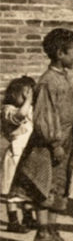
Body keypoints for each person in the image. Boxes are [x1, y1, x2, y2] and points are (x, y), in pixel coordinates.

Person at [10, 28, 73, 241]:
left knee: (58, 186)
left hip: (65, 139)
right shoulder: (47, 82)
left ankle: (51, 230)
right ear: (60, 54)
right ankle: (43, 232)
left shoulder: (62, 78)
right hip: (50, 144)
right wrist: (54, 143)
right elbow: (45, 116)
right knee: (45, 187)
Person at [1, 76, 37, 232]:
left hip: (28, 154)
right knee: (11, 189)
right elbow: (19, 117)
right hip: (15, 154)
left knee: (26, 188)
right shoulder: (8, 110)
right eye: (25, 94)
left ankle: (28, 217)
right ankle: (13, 220)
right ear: (14, 94)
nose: (27, 98)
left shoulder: (30, 109)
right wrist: (28, 101)